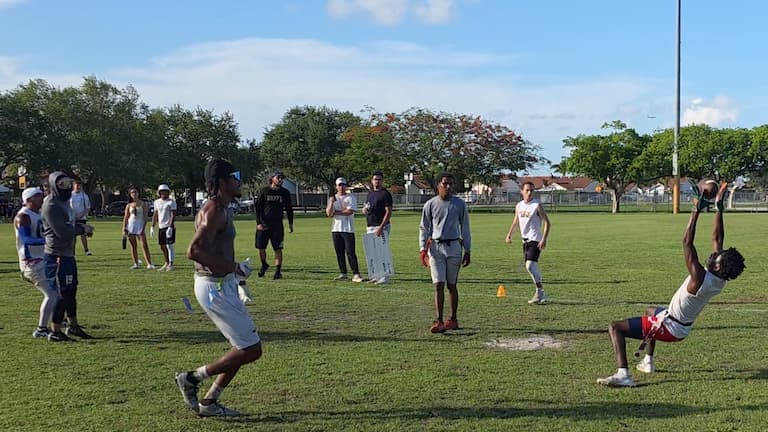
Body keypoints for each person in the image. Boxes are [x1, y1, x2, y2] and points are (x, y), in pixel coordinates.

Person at [597, 182, 745, 387]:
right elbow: (717, 237)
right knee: (651, 310)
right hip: (679, 327)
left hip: (669, 328)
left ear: (718, 268)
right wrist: (718, 206)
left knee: (615, 327)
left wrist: (696, 209)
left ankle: (623, 374)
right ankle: (648, 361)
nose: (714, 255)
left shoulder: (699, 278)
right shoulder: (718, 280)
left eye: (717, 258)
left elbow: (687, 243)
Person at [174, 159, 260, 417]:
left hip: (223, 284)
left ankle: (210, 402)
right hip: (214, 287)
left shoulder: (222, 207)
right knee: (251, 349)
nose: (238, 180)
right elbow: (194, 251)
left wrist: (234, 273)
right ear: (222, 181)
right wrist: (234, 267)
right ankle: (192, 377)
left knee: (241, 348)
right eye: (234, 176)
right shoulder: (214, 210)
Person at [40, 172, 95, 341]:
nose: (67, 188)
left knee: (71, 291)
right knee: (62, 293)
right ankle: (55, 330)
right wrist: (82, 229)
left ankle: (73, 326)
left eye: (67, 184)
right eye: (62, 184)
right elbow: (62, 233)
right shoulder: (51, 205)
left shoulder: (64, 203)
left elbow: (68, 224)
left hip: (68, 255)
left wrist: (79, 226)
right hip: (57, 256)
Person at [419, 172, 471, 333]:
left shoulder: (459, 204)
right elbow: (424, 227)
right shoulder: (430, 204)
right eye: (445, 184)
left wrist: (468, 250)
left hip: (454, 246)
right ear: (438, 186)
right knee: (438, 284)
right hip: (436, 248)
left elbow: (466, 228)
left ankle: (453, 318)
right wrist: (422, 249)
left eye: (450, 184)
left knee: (451, 285)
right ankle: (439, 320)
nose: (448, 187)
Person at [15, 187, 61, 339]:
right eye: (38, 196)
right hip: (31, 262)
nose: (42, 198)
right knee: (52, 294)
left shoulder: (38, 214)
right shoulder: (23, 216)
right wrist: (48, 240)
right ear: (29, 199)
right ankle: (41, 328)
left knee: (59, 292)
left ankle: (59, 321)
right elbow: (26, 240)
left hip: (42, 259)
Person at [505, 181, 552, 304]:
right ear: (522, 191)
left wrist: (544, 239)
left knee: (530, 265)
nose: (529, 192)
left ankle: (540, 292)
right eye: (527, 190)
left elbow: (547, 222)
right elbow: (516, 222)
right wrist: (509, 234)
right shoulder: (519, 205)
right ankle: (539, 292)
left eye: (532, 190)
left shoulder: (537, 205)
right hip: (524, 241)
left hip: (535, 239)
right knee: (531, 266)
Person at [254, 170, 294, 280]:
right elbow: (258, 209)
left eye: (282, 178)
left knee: (278, 248)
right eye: (278, 177)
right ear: (272, 178)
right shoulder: (264, 191)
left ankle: (278, 271)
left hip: (277, 225)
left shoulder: (285, 192)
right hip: (264, 224)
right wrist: (258, 223)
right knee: (261, 248)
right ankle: (264, 264)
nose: (280, 180)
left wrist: (290, 223)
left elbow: (289, 209)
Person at [326, 177, 363, 282]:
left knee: (350, 252)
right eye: (339, 185)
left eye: (343, 185)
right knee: (339, 252)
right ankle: (343, 273)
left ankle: (356, 273)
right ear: (336, 186)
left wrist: (336, 212)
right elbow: (328, 213)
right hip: (336, 229)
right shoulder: (332, 198)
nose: (341, 187)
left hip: (348, 229)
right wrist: (331, 203)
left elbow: (350, 211)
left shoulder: (350, 197)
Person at [362, 170, 394, 284]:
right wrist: (365, 210)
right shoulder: (370, 194)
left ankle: (385, 277)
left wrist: (381, 227)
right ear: (372, 181)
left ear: (382, 181)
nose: (377, 181)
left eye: (379, 179)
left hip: (381, 226)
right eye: (375, 179)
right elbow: (367, 207)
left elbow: (388, 212)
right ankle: (376, 275)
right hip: (370, 225)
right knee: (373, 252)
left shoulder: (385, 194)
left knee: (382, 251)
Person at [123, 187, 154, 269]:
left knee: (144, 245)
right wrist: (124, 228)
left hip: (140, 224)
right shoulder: (129, 205)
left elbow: (145, 217)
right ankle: (136, 263)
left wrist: (143, 228)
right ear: (130, 194)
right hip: (131, 225)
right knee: (133, 245)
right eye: (132, 192)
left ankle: (149, 263)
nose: (134, 194)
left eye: (135, 192)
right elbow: (126, 217)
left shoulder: (143, 204)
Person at [151, 184, 177, 271]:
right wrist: (152, 226)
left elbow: (173, 215)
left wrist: (170, 227)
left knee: (170, 245)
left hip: (169, 226)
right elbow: (155, 214)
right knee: (162, 246)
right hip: (161, 226)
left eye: (165, 192)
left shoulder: (171, 202)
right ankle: (166, 262)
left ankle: (171, 264)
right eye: (162, 192)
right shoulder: (156, 202)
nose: (163, 193)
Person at [69, 179, 92, 255]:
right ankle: (72, 252)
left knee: (83, 235)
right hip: (72, 218)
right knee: (73, 236)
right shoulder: (70, 195)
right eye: (76, 185)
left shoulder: (84, 195)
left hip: (82, 218)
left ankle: (86, 250)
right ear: (73, 185)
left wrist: (81, 215)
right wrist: (72, 216)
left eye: (79, 185)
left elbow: (87, 208)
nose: (78, 186)